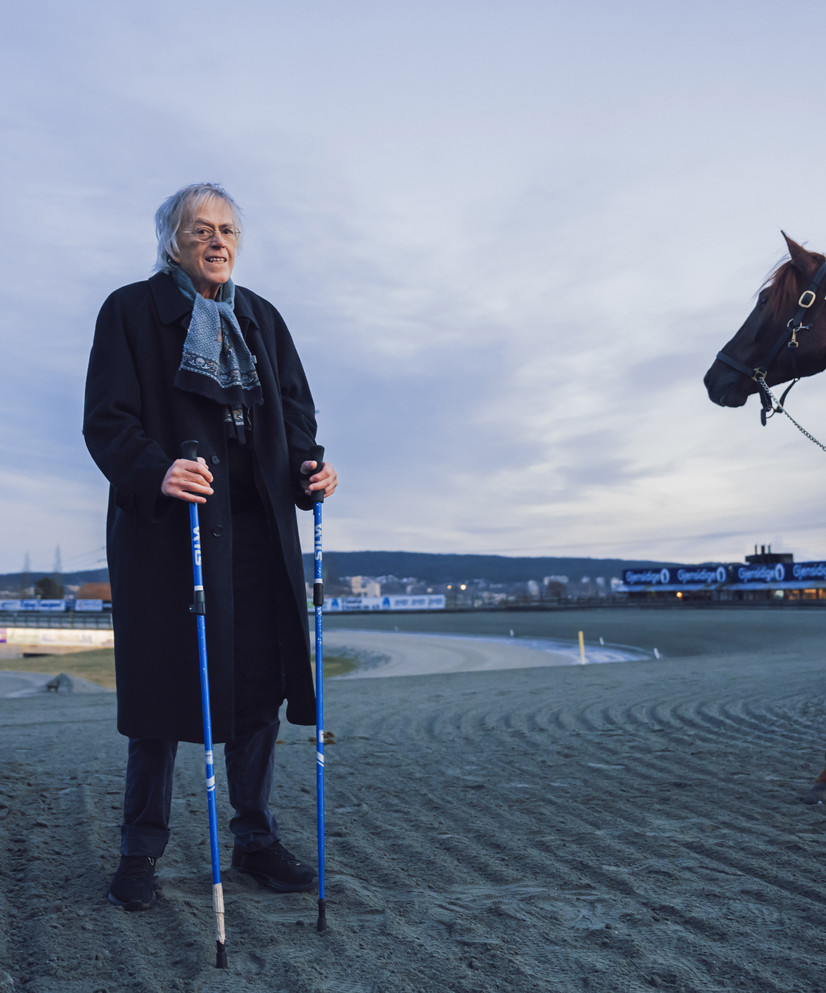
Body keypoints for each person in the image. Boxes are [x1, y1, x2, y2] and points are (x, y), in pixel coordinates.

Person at [83, 182, 338, 911]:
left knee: (258, 687)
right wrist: (154, 467)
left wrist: (308, 470)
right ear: (172, 240)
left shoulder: (262, 317)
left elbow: (294, 414)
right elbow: (106, 419)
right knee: (165, 687)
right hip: (173, 531)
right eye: (201, 230)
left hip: (258, 532)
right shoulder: (131, 310)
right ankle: (141, 852)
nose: (217, 241)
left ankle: (255, 840)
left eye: (227, 229)